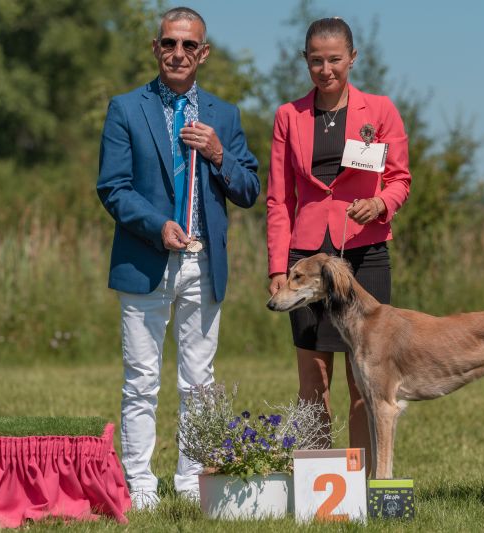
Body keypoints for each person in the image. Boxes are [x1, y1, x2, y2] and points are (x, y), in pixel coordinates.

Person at [97, 6, 260, 510]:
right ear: (156, 47)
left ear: (203, 53)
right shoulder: (126, 108)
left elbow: (249, 189)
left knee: (200, 382)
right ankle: (141, 484)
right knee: (141, 380)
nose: (178, 53)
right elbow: (113, 187)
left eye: (189, 45)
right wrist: (156, 225)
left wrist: (218, 153)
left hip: (202, 264)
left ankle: (191, 480)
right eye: (169, 43)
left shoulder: (224, 115)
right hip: (145, 261)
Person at [266, 17, 411, 472]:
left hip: (364, 255)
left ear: (352, 58)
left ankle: (362, 482)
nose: (325, 69)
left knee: (364, 383)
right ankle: (318, 480)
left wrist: (380, 203)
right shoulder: (288, 116)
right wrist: (277, 268)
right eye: (316, 60)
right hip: (305, 261)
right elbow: (279, 199)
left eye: (334, 59)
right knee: (314, 382)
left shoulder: (380, 110)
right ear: (305, 61)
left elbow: (400, 179)